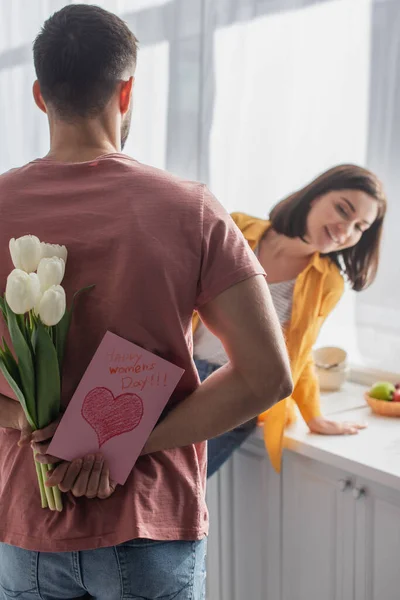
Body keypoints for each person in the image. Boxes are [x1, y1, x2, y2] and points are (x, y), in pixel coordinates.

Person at [0, 5, 292, 600]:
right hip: (150, 520)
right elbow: (267, 375)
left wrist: (31, 423)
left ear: (38, 94)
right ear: (127, 89)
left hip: (26, 528)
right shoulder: (191, 209)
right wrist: (116, 448)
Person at [193, 165, 387, 477]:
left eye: (359, 227)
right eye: (342, 209)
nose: (345, 229)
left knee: (167, 498)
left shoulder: (328, 283)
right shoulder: (239, 227)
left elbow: (298, 353)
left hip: (237, 396)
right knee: (117, 484)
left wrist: (314, 417)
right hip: (179, 373)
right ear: (314, 197)